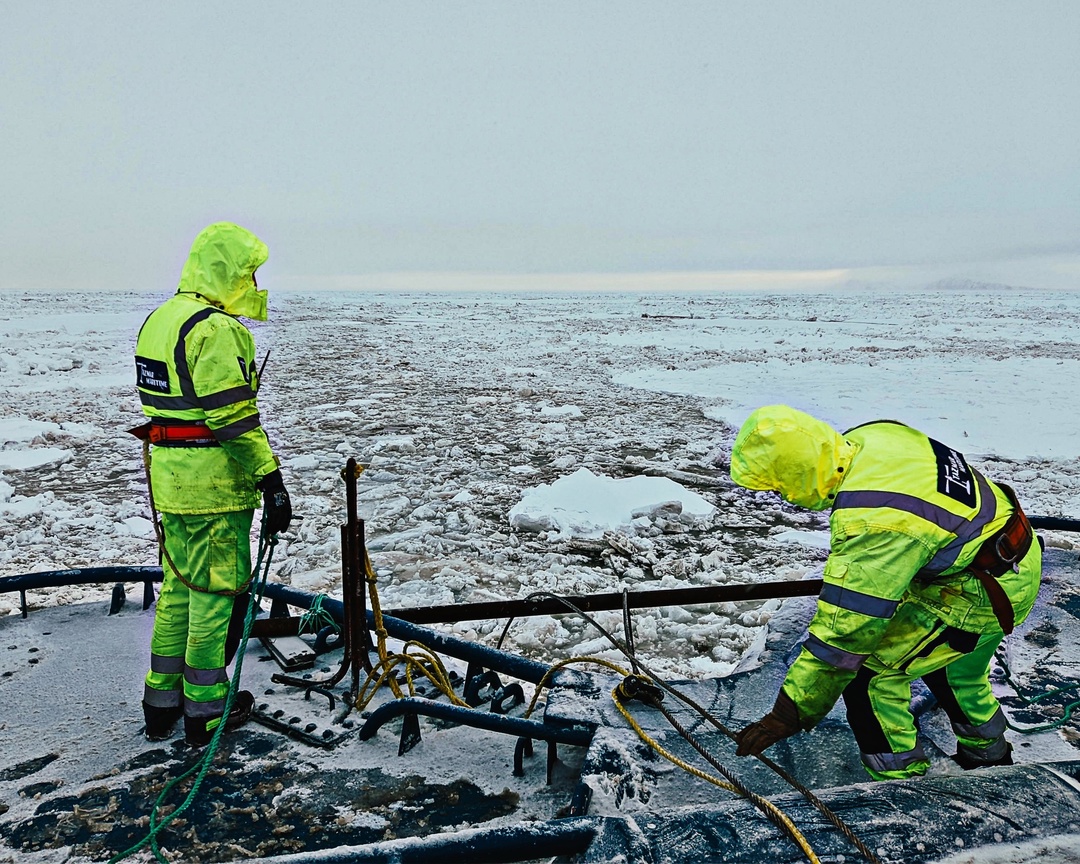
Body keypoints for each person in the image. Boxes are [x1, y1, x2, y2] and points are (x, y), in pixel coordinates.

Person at [728, 405, 1040, 780]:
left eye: (779, 484)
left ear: (798, 469)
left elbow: (846, 635)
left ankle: (901, 788)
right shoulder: (873, 437)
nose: (784, 496)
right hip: (1014, 559)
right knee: (955, 668)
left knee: (870, 678)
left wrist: (790, 712)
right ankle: (992, 763)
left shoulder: (874, 518)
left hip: (976, 595)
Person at [133, 222, 293, 747]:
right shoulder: (217, 330)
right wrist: (269, 477)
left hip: (170, 479)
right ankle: (206, 710)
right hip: (214, 486)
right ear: (227, 269)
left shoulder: (160, 320)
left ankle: (160, 703)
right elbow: (233, 418)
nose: (252, 280)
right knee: (215, 592)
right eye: (248, 270)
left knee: (179, 586)